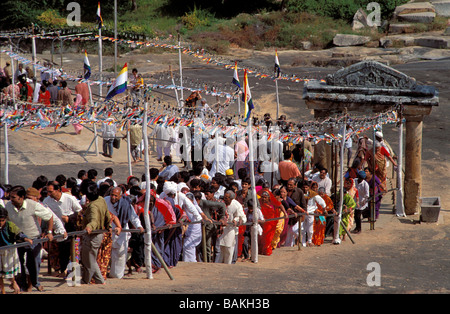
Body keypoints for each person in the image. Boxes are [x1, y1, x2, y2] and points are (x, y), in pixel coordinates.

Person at [4, 185, 54, 292]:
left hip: (33, 239)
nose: (11, 199)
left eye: (14, 197)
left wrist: (49, 232)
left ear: (21, 197)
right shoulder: (8, 206)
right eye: (10, 197)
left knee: (33, 264)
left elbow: (49, 216)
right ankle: (22, 285)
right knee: (18, 264)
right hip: (17, 240)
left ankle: (35, 283)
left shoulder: (33, 205)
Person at [43, 181, 82, 277]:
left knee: (72, 251)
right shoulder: (47, 201)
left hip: (70, 229)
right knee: (59, 252)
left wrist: (70, 218)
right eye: (48, 191)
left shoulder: (70, 199)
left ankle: (71, 273)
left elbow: (80, 213)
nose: (49, 194)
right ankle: (61, 270)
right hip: (56, 230)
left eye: (51, 191)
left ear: (58, 190)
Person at [104, 187, 143, 279]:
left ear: (120, 196)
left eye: (115, 196)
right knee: (106, 254)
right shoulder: (105, 201)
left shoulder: (126, 204)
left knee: (120, 255)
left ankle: (117, 275)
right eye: (112, 195)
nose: (113, 197)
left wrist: (139, 226)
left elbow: (133, 217)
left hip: (122, 233)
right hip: (108, 231)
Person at [80, 183, 113, 285]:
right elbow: (107, 214)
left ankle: (87, 280)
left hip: (92, 236)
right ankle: (99, 280)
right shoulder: (101, 199)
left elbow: (94, 220)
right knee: (91, 260)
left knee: (89, 261)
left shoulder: (93, 206)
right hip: (99, 234)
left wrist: (89, 227)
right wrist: (109, 226)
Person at [0, 206, 33, 294]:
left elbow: (18, 233)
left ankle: (14, 284)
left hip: (8, 250)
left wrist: (25, 239)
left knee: (9, 270)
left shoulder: (9, 225)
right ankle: (2, 291)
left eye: (2, 220)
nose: (0, 223)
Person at [193, 191, 226, 262]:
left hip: (208, 227)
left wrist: (222, 217)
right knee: (198, 245)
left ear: (197, 199)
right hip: (198, 227)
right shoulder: (193, 204)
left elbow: (222, 205)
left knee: (207, 246)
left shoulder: (205, 203)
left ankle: (207, 262)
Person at [218, 190, 246, 264]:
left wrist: (236, 220)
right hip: (221, 229)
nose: (225, 199)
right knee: (220, 248)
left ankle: (229, 264)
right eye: (224, 197)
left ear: (231, 198)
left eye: (227, 198)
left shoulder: (236, 205)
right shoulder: (221, 203)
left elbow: (243, 218)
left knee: (229, 248)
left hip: (231, 229)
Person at [301, 182, 326, 247]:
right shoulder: (300, 193)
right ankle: (303, 242)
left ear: (309, 187)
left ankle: (309, 241)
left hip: (310, 213)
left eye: (306, 187)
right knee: (302, 228)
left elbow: (321, 202)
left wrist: (324, 209)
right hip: (302, 213)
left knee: (310, 228)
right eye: (304, 187)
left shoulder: (313, 194)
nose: (305, 188)